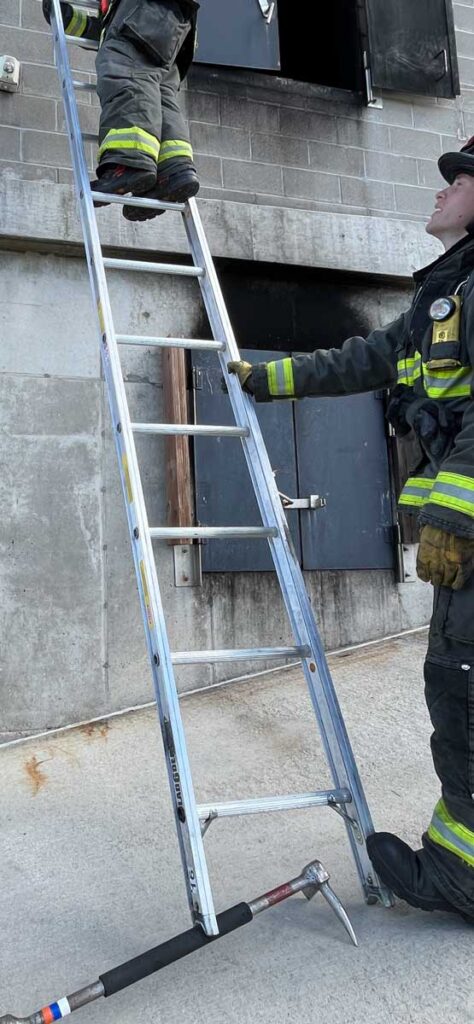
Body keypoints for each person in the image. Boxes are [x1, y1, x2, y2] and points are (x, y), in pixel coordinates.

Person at [229, 138, 474, 924]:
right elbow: (370, 357)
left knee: (464, 691)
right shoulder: (447, 292)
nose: (438, 195)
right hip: (463, 545)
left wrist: (455, 515)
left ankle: (461, 873)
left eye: (456, 182)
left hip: (468, 537)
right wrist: (273, 379)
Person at [42, 0, 199, 221]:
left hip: (147, 10)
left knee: (125, 72)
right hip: (173, 23)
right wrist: (68, 19)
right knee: (161, 93)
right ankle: (173, 172)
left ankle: (128, 163)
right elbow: (114, 28)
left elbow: (121, 33)